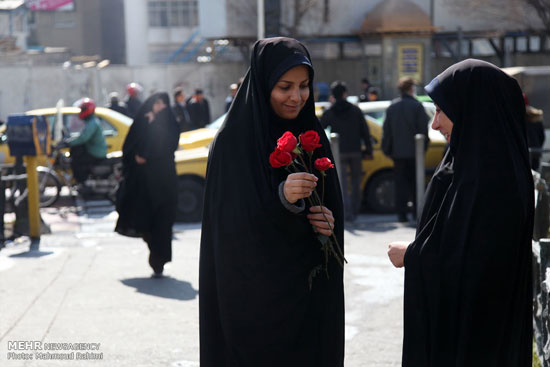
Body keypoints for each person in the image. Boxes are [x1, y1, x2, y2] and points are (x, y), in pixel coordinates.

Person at [199, 37, 344, 366]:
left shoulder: (312, 134)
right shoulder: (233, 142)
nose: (296, 97)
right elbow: (229, 228)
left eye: (304, 86)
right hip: (254, 301)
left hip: (307, 294)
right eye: (284, 87)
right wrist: (283, 198)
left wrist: (328, 224)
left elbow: (331, 203)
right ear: (264, 85)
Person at [387, 59, 534, 366]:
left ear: (472, 109)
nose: (434, 124)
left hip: (476, 341)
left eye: (441, 111)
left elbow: (479, 263)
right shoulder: (468, 160)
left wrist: (413, 255)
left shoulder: (494, 177)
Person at [115, 93, 179, 277]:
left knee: (162, 221)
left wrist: (156, 124)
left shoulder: (169, 123)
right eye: (157, 103)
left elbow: (167, 143)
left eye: (163, 104)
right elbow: (130, 146)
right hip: (142, 184)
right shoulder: (143, 121)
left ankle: (159, 258)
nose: (160, 107)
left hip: (164, 183)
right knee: (143, 220)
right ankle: (155, 254)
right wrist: (147, 125)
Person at [321, 80, 373, 222]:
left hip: (339, 152)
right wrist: (368, 149)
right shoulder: (355, 110)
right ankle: (355, 211)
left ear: (332, 95)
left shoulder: (330, 111)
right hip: (356, 150)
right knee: (356, 182)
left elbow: (320, 128)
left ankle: (346, 211)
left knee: (342, 184)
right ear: (345, 93)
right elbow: (365, 131)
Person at [381, 76, 430, 222]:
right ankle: (417, 213)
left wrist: (387, 150)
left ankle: (401, 214)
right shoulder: (417, 106)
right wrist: (423, 149)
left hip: (398, 153)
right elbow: (423, 131)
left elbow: (387, 131)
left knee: (400, 184)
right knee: (416, 183)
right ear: (411, 89)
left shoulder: (392, 107)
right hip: (415, 152)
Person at [64, 98, 107, 188]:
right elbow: (82, 136)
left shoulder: (92, 123)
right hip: (94, 151)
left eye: (82, 110)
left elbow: (83, 138)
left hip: (96, 153)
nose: (80, 112)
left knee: (76, 162)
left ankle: (82, 183)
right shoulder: (91, 122)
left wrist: (68, 143)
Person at [524, 94, 545, 170]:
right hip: (536, 150)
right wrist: (538, 146)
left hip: (525, 151)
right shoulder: (536, 117)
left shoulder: (518, 118)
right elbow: (542, 136)